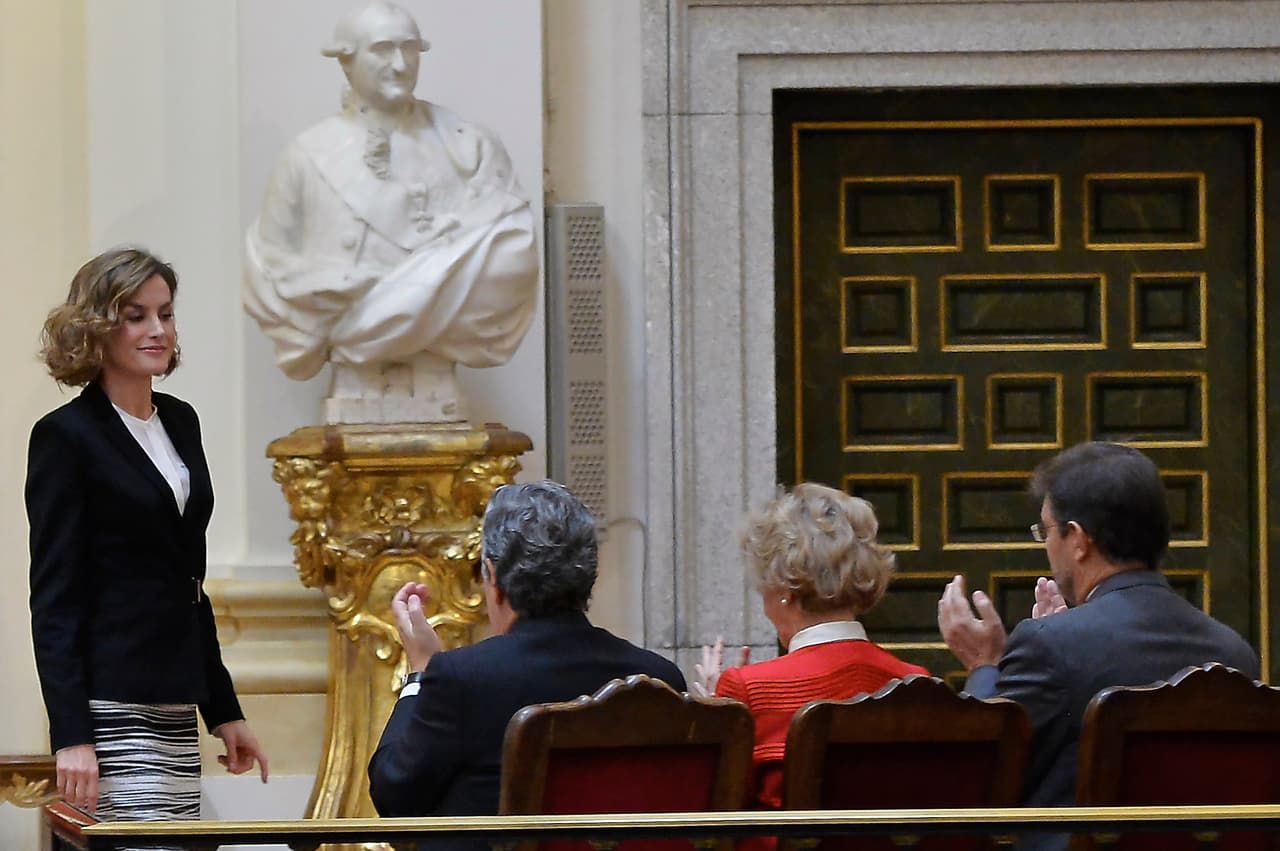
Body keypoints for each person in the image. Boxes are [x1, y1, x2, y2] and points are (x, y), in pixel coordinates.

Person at [27, 247, 268, 821]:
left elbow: (189, 583)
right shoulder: (65, 437)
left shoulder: (181, 421)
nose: (158, 330)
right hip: (108, 702)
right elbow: (55, 598)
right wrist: (72, 736)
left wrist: (224, 710)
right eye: (136, 315)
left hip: (175, 697)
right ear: (97, 327)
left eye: (166, 313)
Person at [937, 441, 1258, 851]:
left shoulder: (1050, 647)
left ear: (1078, 539)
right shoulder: (1234, 654)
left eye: (1046, 531)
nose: (1046, 546)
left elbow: (974, 782)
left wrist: (985, 665)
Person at [243, 0, 538, 424]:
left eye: (410, 48)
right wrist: (330, 283)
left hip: (441, 387)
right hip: (349, 372)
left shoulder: (468, 148)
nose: (400, 64)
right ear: (346, 60)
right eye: (382, 49)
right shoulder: (308, 157)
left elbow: (512, 251)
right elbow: (271, 263)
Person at [367, 480, 687, 818]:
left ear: (493, 575)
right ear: (589, 575)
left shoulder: (462, 679)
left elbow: (394, 796)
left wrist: (420, 671)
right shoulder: (658, 680)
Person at [695, 483, 928, 820]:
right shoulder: (916, 683)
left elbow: (719, 818)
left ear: (782, 587)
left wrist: (719, 713)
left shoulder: (749, 689)